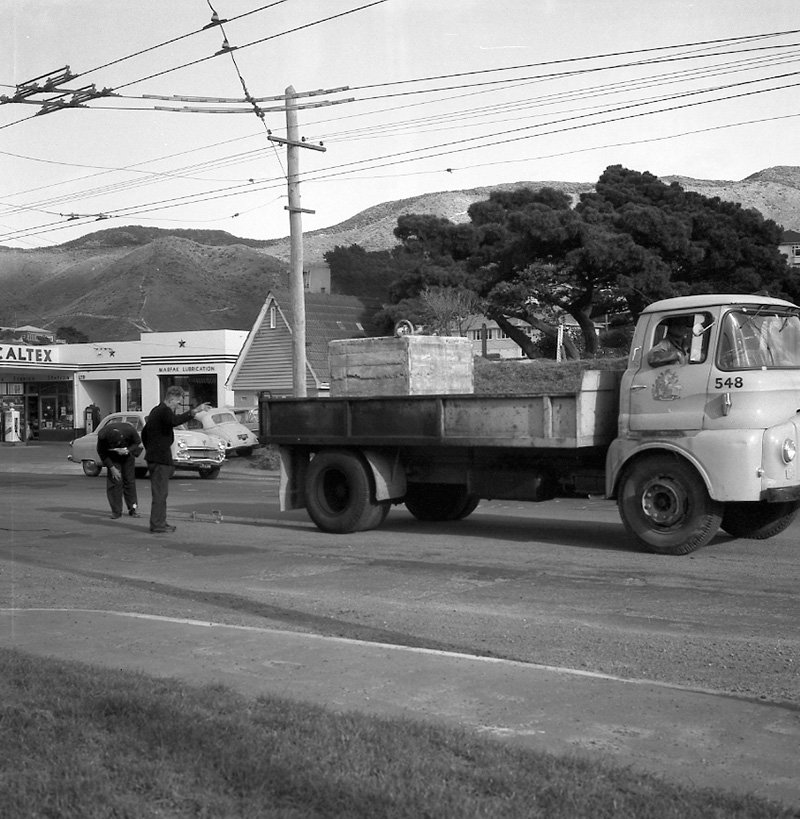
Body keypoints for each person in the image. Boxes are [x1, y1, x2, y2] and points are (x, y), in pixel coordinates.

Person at [141, 387, 210, 534]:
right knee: (160, 493)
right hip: (160, 458)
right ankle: (157, 524)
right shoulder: (164, 411)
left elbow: (145, 433)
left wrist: (150, 449)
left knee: (161, 493)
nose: (178, 407)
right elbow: (175, 421)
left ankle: (160, 522)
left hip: (154, 456)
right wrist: (194, 411)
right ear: (171, 399)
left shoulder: (155, 411)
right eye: (178, 403)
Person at [96, 421, 143, 520]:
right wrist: (112, 468)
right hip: (112, 458)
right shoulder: (102, 435)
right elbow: (101, 452)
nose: (115, 447)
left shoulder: (129, 430)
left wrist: (127, 450)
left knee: (129, 481)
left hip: (127, 455)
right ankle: (116, 511)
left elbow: (137, 442)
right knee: (115, 481)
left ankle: (133, 508)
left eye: (116, 444)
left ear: (121, 437)